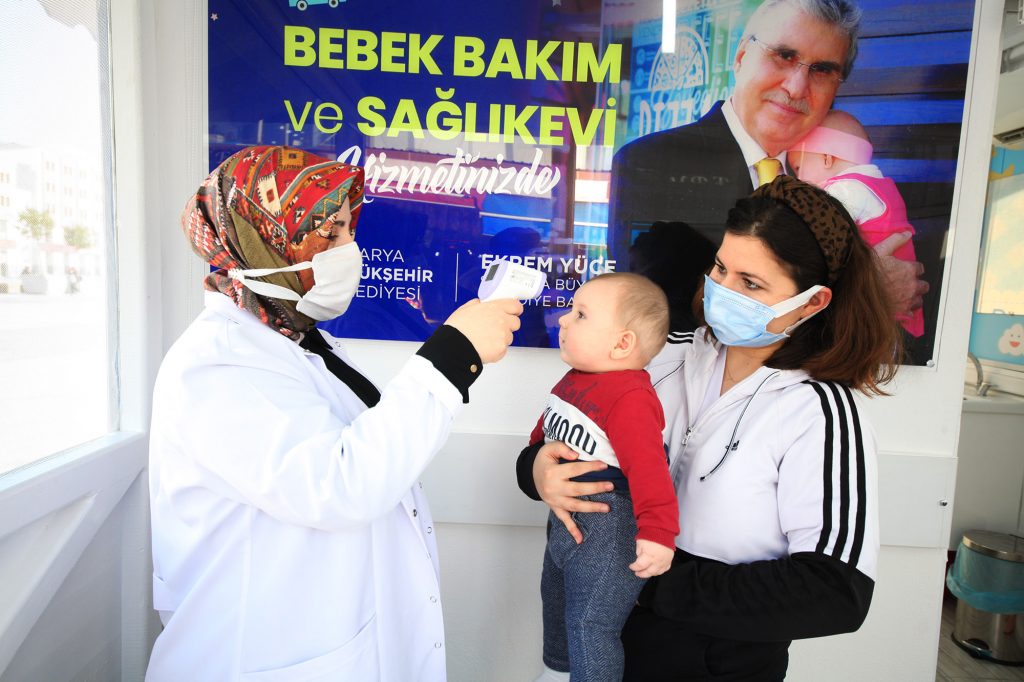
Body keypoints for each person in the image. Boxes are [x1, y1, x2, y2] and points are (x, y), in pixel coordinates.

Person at [147, 145, 523, 682]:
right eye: (332, 232)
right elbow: (339, 485)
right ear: (266, 237)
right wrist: (452, 356)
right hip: (256, 655)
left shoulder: (295, 340)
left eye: (349, 229)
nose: (351, 249)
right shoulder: (219, 363)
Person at [518, 176, 903, 680]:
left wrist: (649, 582)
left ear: (812, 302)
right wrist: (537, 472)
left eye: (751, 284)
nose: (723, 290)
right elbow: (564, 436)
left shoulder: (820, 413)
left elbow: (835, 593)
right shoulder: (657, 358)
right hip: (604, 647)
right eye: (721, 268)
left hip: (717, 666)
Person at [609, 0, 927, 327]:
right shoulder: (652, 162)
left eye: (822, 70)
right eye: (784, 56)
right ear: (741, 57)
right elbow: (659, 319)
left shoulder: (844, 179)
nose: (796, 88)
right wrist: (863, 295)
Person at [530, 272, 677, 682]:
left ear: (622, 343)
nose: (563, 319)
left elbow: (650, 471)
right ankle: (555, 674)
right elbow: (541, 439)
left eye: (581, 315)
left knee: (591, 627)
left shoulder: (631, 397)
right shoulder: (574, 379)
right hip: (564, 523)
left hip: (609, 527)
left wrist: (658, 534)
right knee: (555, 607)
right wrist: (537, 462)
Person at [789, 109, 924, 337]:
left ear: (827, 158)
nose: (799, 179)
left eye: (799, 168)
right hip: (896, 316)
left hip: (873, 314)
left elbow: (815, 239)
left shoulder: (844, 190)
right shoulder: (880, 186)